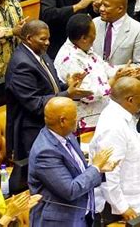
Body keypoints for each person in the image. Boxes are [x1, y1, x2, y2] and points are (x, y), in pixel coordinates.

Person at [5, 20, 92, 161]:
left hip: (51, 127)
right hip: (32, 132)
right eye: (43, 39)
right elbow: (35, 104)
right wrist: (68, 94)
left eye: (48, 38)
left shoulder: (41, 53)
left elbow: (52, 86)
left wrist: (68, 85)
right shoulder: (21, 64)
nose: (47, 43)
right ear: (28, 39)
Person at [29, 97, 118, 227]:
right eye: (75, 116)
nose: (78, 119)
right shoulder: (45, 152)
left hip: (81, 216)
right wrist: (96, 167)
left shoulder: (67, 135)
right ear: (62, 121)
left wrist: (100, 169)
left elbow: (78, 171)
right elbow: (70, 190)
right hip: (60, 222)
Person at [54, 14, 140, 130]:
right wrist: (115, 79)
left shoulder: (83, 47)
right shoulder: (69, 59)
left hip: (102, 114)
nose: (95, 37)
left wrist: (124, 71)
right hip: (86, 121)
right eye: (93, 35)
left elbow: (103, 67)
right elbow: (87, 93)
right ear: (83, 38)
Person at [89, 77, 140, 223]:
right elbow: (109, 173)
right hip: (117, 210)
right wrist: (123, 208)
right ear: (130, 99)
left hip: (133, 202)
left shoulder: (124, 116)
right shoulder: (113, 125)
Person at [92, 0, 140, 107]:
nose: (101, 9)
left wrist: (116, 71)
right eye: (102, 4)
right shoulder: (94, 24)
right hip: (100, 94)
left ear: (120, 9)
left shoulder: (139, 30)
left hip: (126, 97)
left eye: (106, 6)